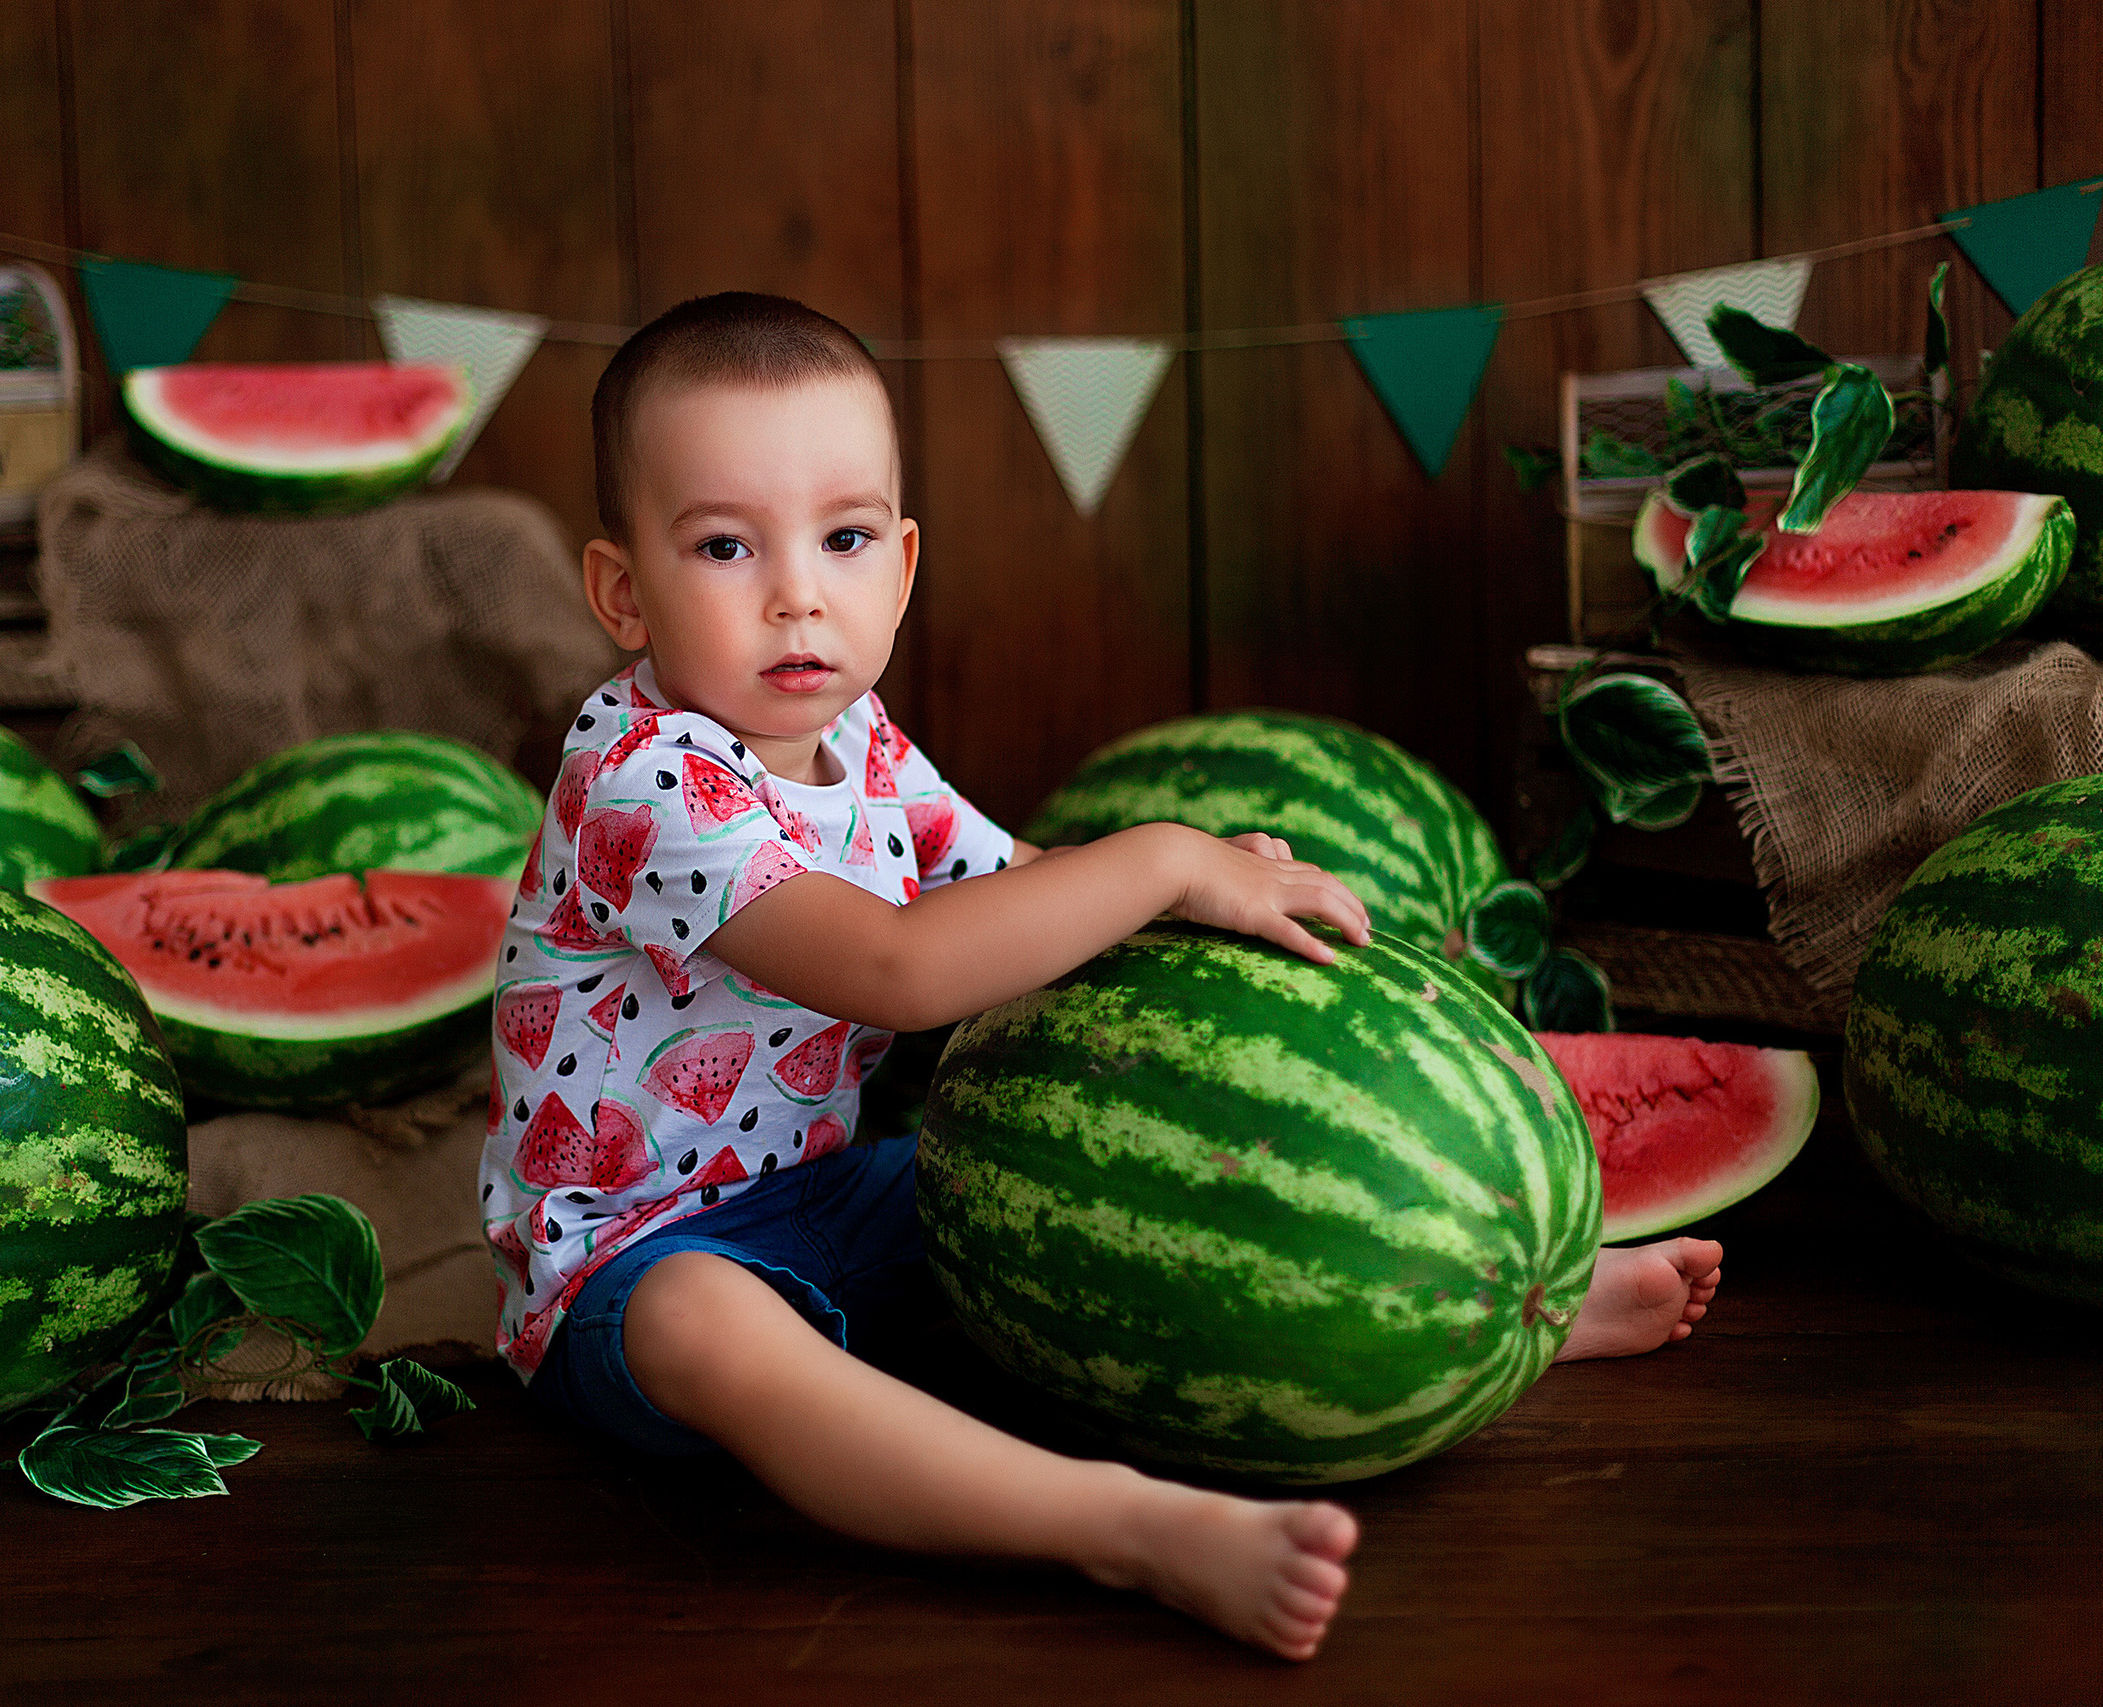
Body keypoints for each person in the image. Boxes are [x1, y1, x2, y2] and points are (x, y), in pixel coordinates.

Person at [477, 291, 1722, 1661]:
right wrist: (1162, 860)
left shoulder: (861, 745)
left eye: (840, 541)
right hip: (626, 1255)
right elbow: (901, 971)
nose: (797, 594)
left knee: (1107, 1199)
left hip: (830, 1192)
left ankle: (1483, 1305)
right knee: (716, 1332)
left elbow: (1014, 886)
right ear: (621, 592)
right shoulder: (640, 783)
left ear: (899, 566)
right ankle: (1115, 1524)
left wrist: (1208, 892)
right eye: (725, 545)